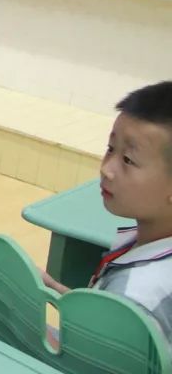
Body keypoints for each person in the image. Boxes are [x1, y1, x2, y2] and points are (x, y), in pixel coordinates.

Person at [42, 81, 172, 346]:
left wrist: (23, 320)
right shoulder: (151, 243)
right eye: (111, 149)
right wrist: (57, 291)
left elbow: (87, 360)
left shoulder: (137, 295)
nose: (107, 169)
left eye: (128, 160)